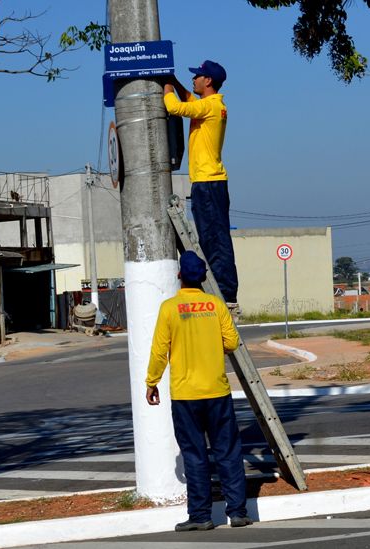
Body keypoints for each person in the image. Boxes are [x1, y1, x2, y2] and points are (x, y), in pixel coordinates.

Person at [145, 251, 252, 532]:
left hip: (185, 396)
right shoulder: (216, 305)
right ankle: (238, 512)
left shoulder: (169, 308)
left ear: (180, 276)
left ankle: (201, 516)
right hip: (217, 391)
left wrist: (151, 381)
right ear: (203, 278)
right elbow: (231, 342)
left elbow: (159, 350)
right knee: (228, 451)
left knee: (194, 455)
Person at [163, 60, 240, 315]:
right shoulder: (212, 105)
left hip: (208, 183)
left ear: (208, 81)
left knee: (214, 239)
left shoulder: (209, 106)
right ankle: (223, 290)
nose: (194, 80)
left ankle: (226, 294)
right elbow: (187, 97)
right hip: (209, 182)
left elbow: (174, 107)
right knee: (212, 237)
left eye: (197, 76)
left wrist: (165, 87)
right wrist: (174, 82)